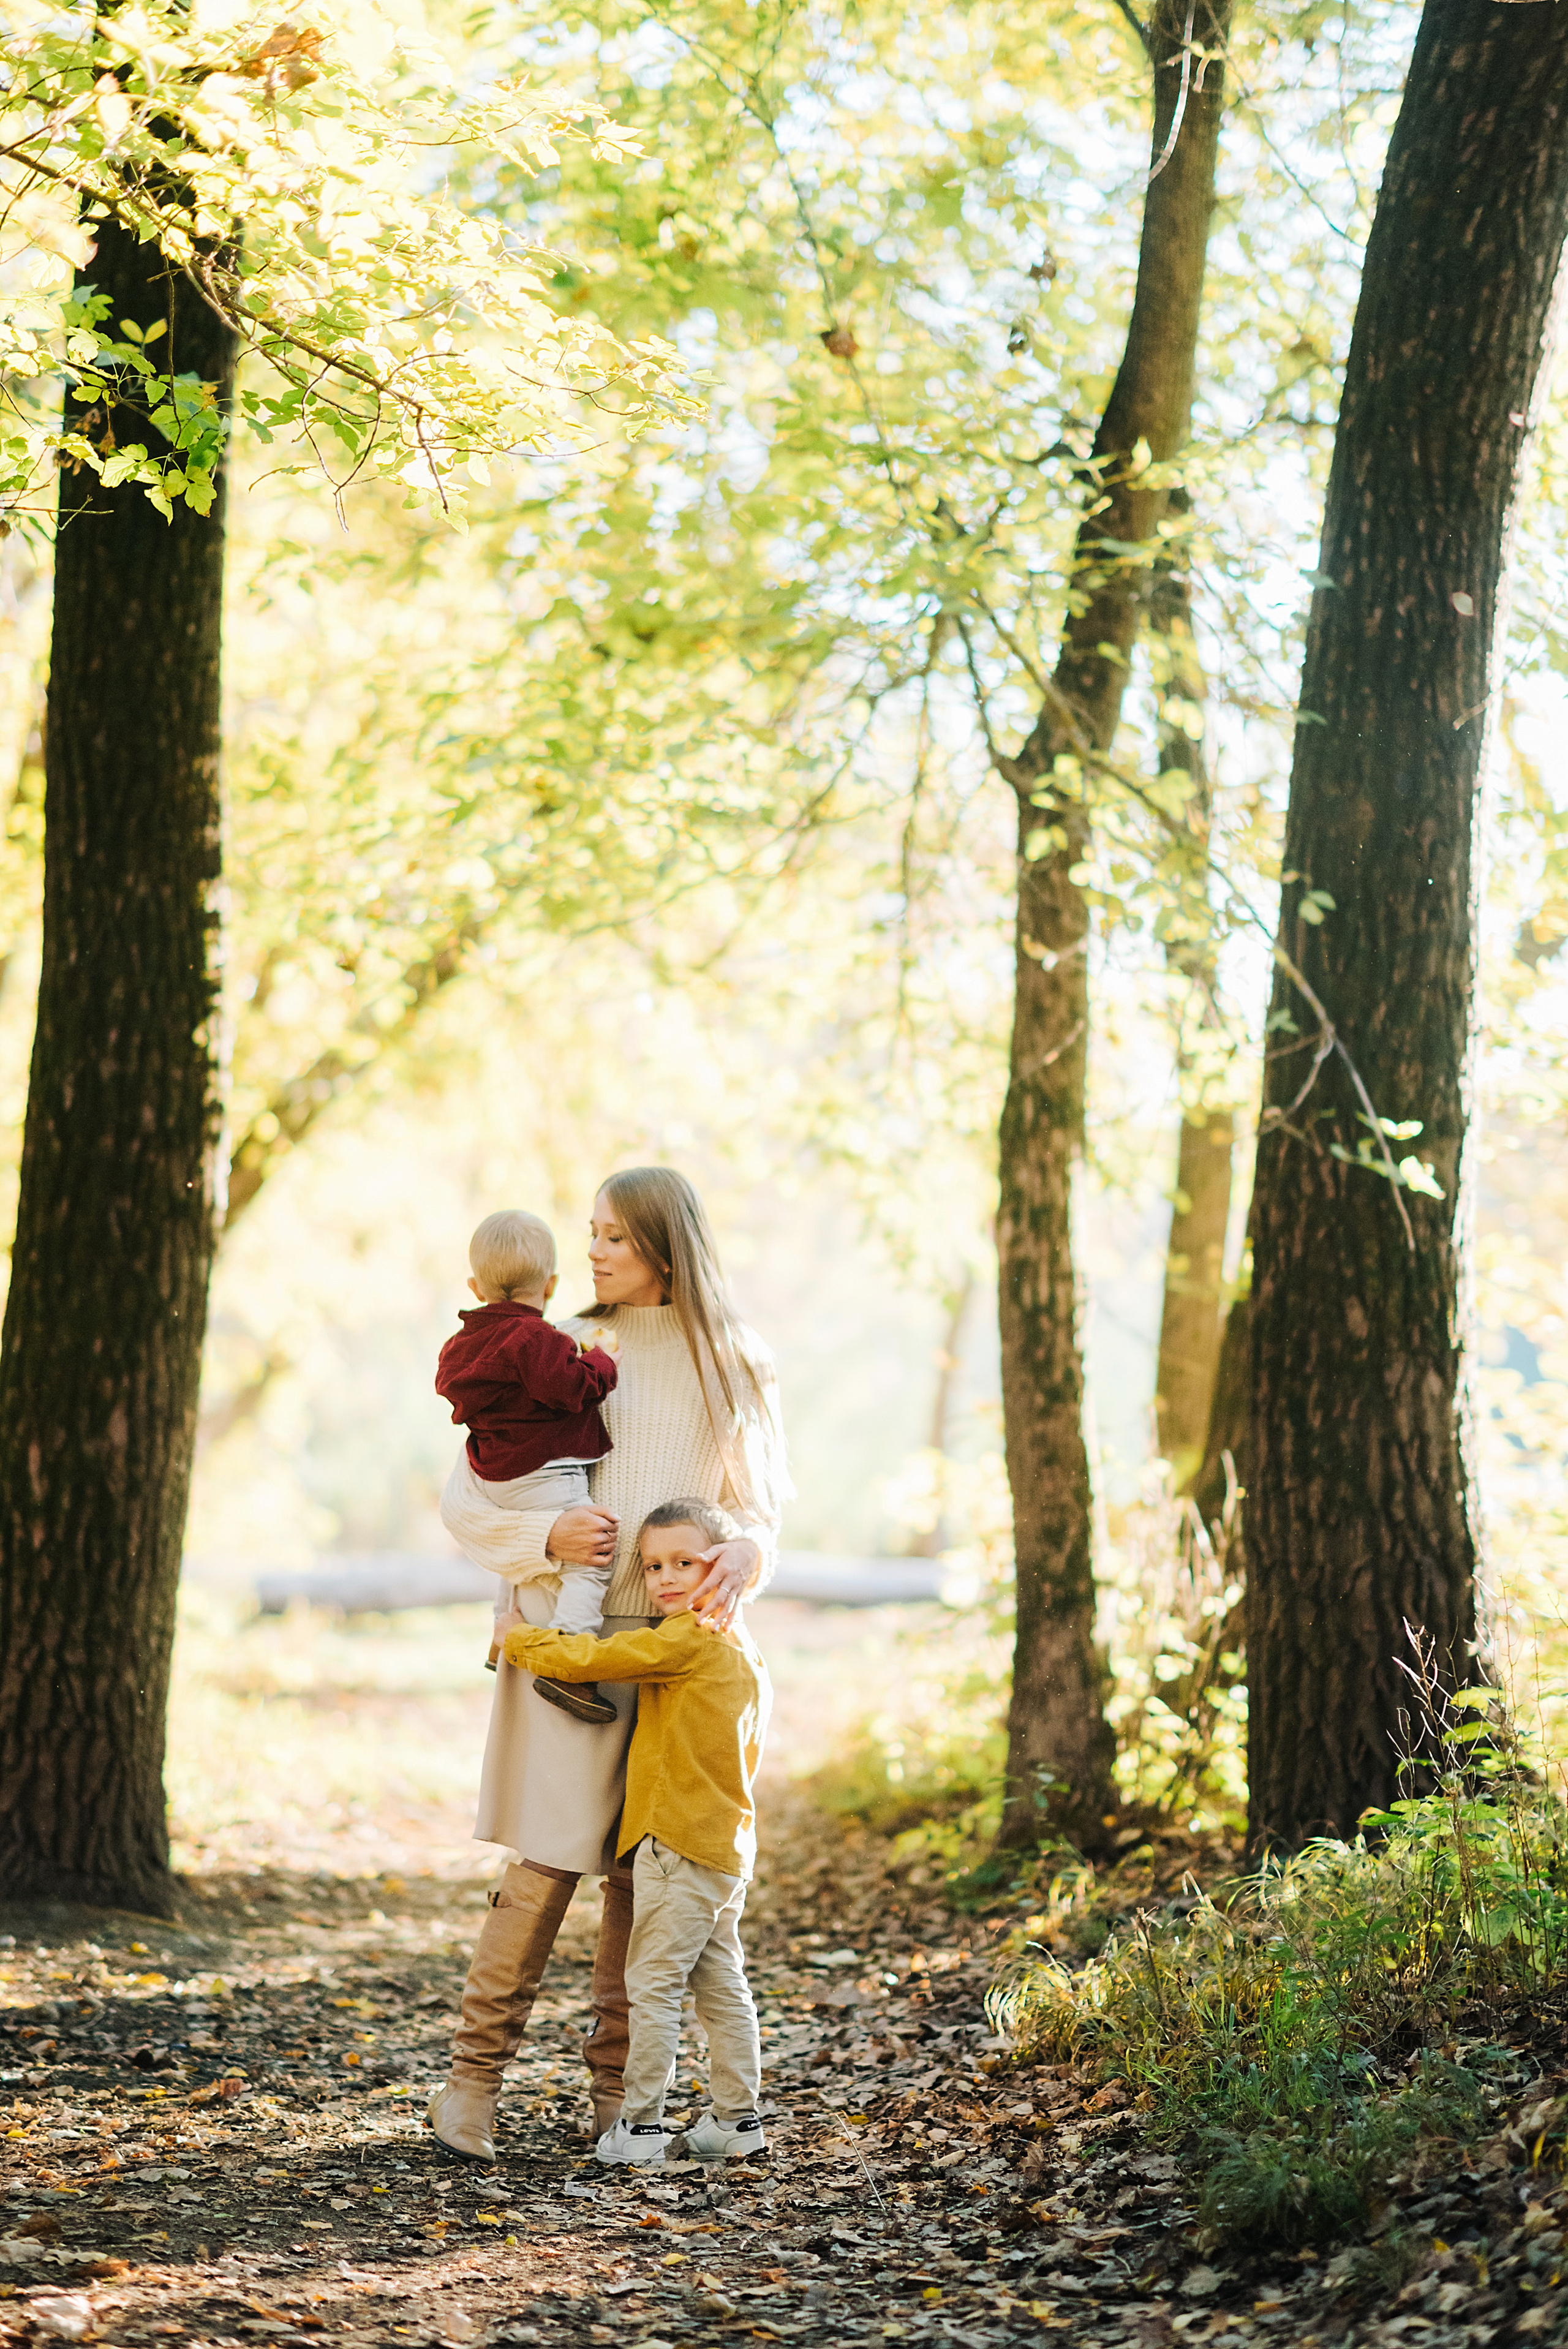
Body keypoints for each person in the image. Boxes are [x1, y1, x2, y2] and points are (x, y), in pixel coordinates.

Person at [426, 1167, 789, 2166]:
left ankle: (620, 2099)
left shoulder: (734, 1364)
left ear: (667, 1250)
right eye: (589, 1234)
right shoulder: (559, 1350)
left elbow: (759, 1513)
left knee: (648, 1875)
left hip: (681, 1656)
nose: (593, 1253)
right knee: (543, 1863)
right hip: (574, 1638)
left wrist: (751, 1555)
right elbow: (467, 1503)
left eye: (615, 1239)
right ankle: (470, 2085)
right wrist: (550, 1535)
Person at [501, 1498, 771, 2166]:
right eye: (652, 1566)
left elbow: (599, 1656)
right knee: (719, 1982)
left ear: (723, 1564)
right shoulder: (741, 1643)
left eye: (685, 1562)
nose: (666, 1579)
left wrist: (517, 1637)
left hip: (678, 1842)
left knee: (652, 1984)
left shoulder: (689, 1636)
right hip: (724, 1846)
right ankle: (738, 2120)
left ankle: (642, 2126)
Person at [435, 1208, 620, 1721]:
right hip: (545, 1473)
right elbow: (572, 1388)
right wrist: (602, 1362)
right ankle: (568, 1659)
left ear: (476, 1287)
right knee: (590, 1561)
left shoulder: (460, 1346)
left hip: (495, 1474)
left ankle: (503, 1629)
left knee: (520, 1562)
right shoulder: (537, 1340)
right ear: (552, 1284)